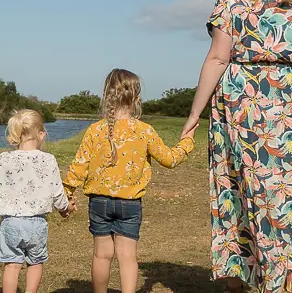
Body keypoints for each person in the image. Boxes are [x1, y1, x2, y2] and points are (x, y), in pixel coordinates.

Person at [180, 0, 292, 293]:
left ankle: (237, 279)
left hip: (238, 103)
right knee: (277, 197)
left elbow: (216, 59)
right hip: (285, 105)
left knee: (233, 188)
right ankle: (274, 282)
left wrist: (196, 113)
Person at [63, 68, 195, 293]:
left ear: (107, 96)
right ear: (137, 98)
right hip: (130, 204)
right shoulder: (144, 131)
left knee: (101, 256)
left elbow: (78, 167)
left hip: (99, 203)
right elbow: (169, 159)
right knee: (127, 257)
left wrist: (66, 196)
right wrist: (187, 142)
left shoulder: (95, 131)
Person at [0, 109, 71, 293]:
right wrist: (65, 208)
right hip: (37, 223)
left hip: (11, 223)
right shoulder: (49, 160)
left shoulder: (4, 158)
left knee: (12, 265)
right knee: (36, 262)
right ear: (41, 134)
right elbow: (57, 192)